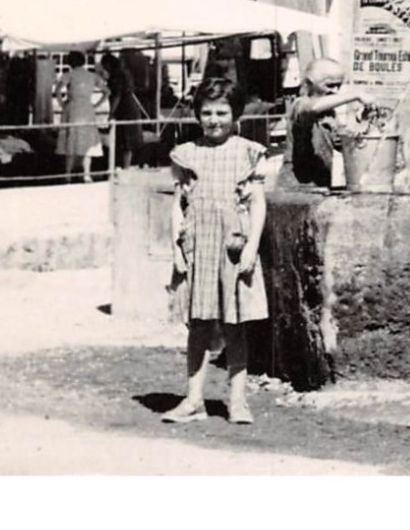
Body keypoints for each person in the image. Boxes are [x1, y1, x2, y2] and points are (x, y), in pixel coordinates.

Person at [163, 77, 269, 425]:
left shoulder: (247, 152)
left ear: (234, 113)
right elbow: (178, 204)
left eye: (221, 112)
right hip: (198, 248)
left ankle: (237, 401)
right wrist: (177, 248)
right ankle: (193, 400)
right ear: (197, 115)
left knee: (234, 326)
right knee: (198, 326)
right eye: (206, 112)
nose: (214, 119)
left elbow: (257, 204)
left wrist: (252, 247)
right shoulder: (187, 154)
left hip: (232, 249)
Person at [287, 58, 370, 186]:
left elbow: (345, 145)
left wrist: (363, 122)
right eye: (330, 85)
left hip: (319, 184)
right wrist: (355, 95)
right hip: (296, 187)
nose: (335, 91)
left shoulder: (329, 114)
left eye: (339, 85)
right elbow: (311, 108)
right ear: (309, 83)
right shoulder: (300, 105)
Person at [55, 51, 103, 182]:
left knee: (71, 139)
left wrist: (62, 104)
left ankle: (67, 174)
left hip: (73, 107)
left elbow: (57, 91)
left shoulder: (68, 75)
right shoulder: (92, 76)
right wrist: (96, 105)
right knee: (87, 141)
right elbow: (107, 91)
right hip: (87, 108)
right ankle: (86, 174)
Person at [99, 52, 148, 169]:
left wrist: (111, 113)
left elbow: (117, 96)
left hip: (125, 110)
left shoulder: (117, 76)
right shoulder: (124, 73)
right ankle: (125, 165)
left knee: (125, 141)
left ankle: (125, 166)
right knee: (126, 141)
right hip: (129, 108)